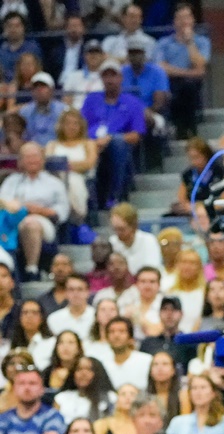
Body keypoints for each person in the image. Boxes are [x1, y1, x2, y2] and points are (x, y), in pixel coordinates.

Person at [0, 142, 70, 281]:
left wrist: (36, 210)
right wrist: (20, 208)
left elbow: (61, 213)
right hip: (13, 221)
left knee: (30, 224)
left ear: (43, 159)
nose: (31, 160)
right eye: (27, 157)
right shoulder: (11, 181)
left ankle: (32, 269)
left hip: (43, 221)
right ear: (20, 161)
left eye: (35, 156)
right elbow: (3, 203)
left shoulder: (54, 183)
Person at [80, 59, 146, 207]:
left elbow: (136, 135)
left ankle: (115, 196)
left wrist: (110, 139)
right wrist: (92, 143)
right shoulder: (91, 99)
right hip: (92, 144)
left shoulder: (132, 102)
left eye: (113, 75)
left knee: (117, 143)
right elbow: (80, 127)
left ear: (121, 78)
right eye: (106, 76)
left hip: (118, 146)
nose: (110, 80)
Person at [154, 2, 210, 139]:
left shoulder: (202, 42)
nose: (184, 22)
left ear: (193, 20)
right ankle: (186, 131)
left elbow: (201, 65)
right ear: (174, 22)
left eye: (187, 17)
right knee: (177, 88)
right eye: (180, 18)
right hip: (169, 84)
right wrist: (188, 72)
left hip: (192, 86)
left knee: (188, 86)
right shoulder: (164, 43)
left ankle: (186, 130)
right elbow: (160, 67)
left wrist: (190, 42)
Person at [0, 360, 65, 434]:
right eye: (21, 383)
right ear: (14, 388)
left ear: (42, 389)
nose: (27, 388)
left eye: (32, 383)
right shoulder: (3, 419)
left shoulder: (53, 417)